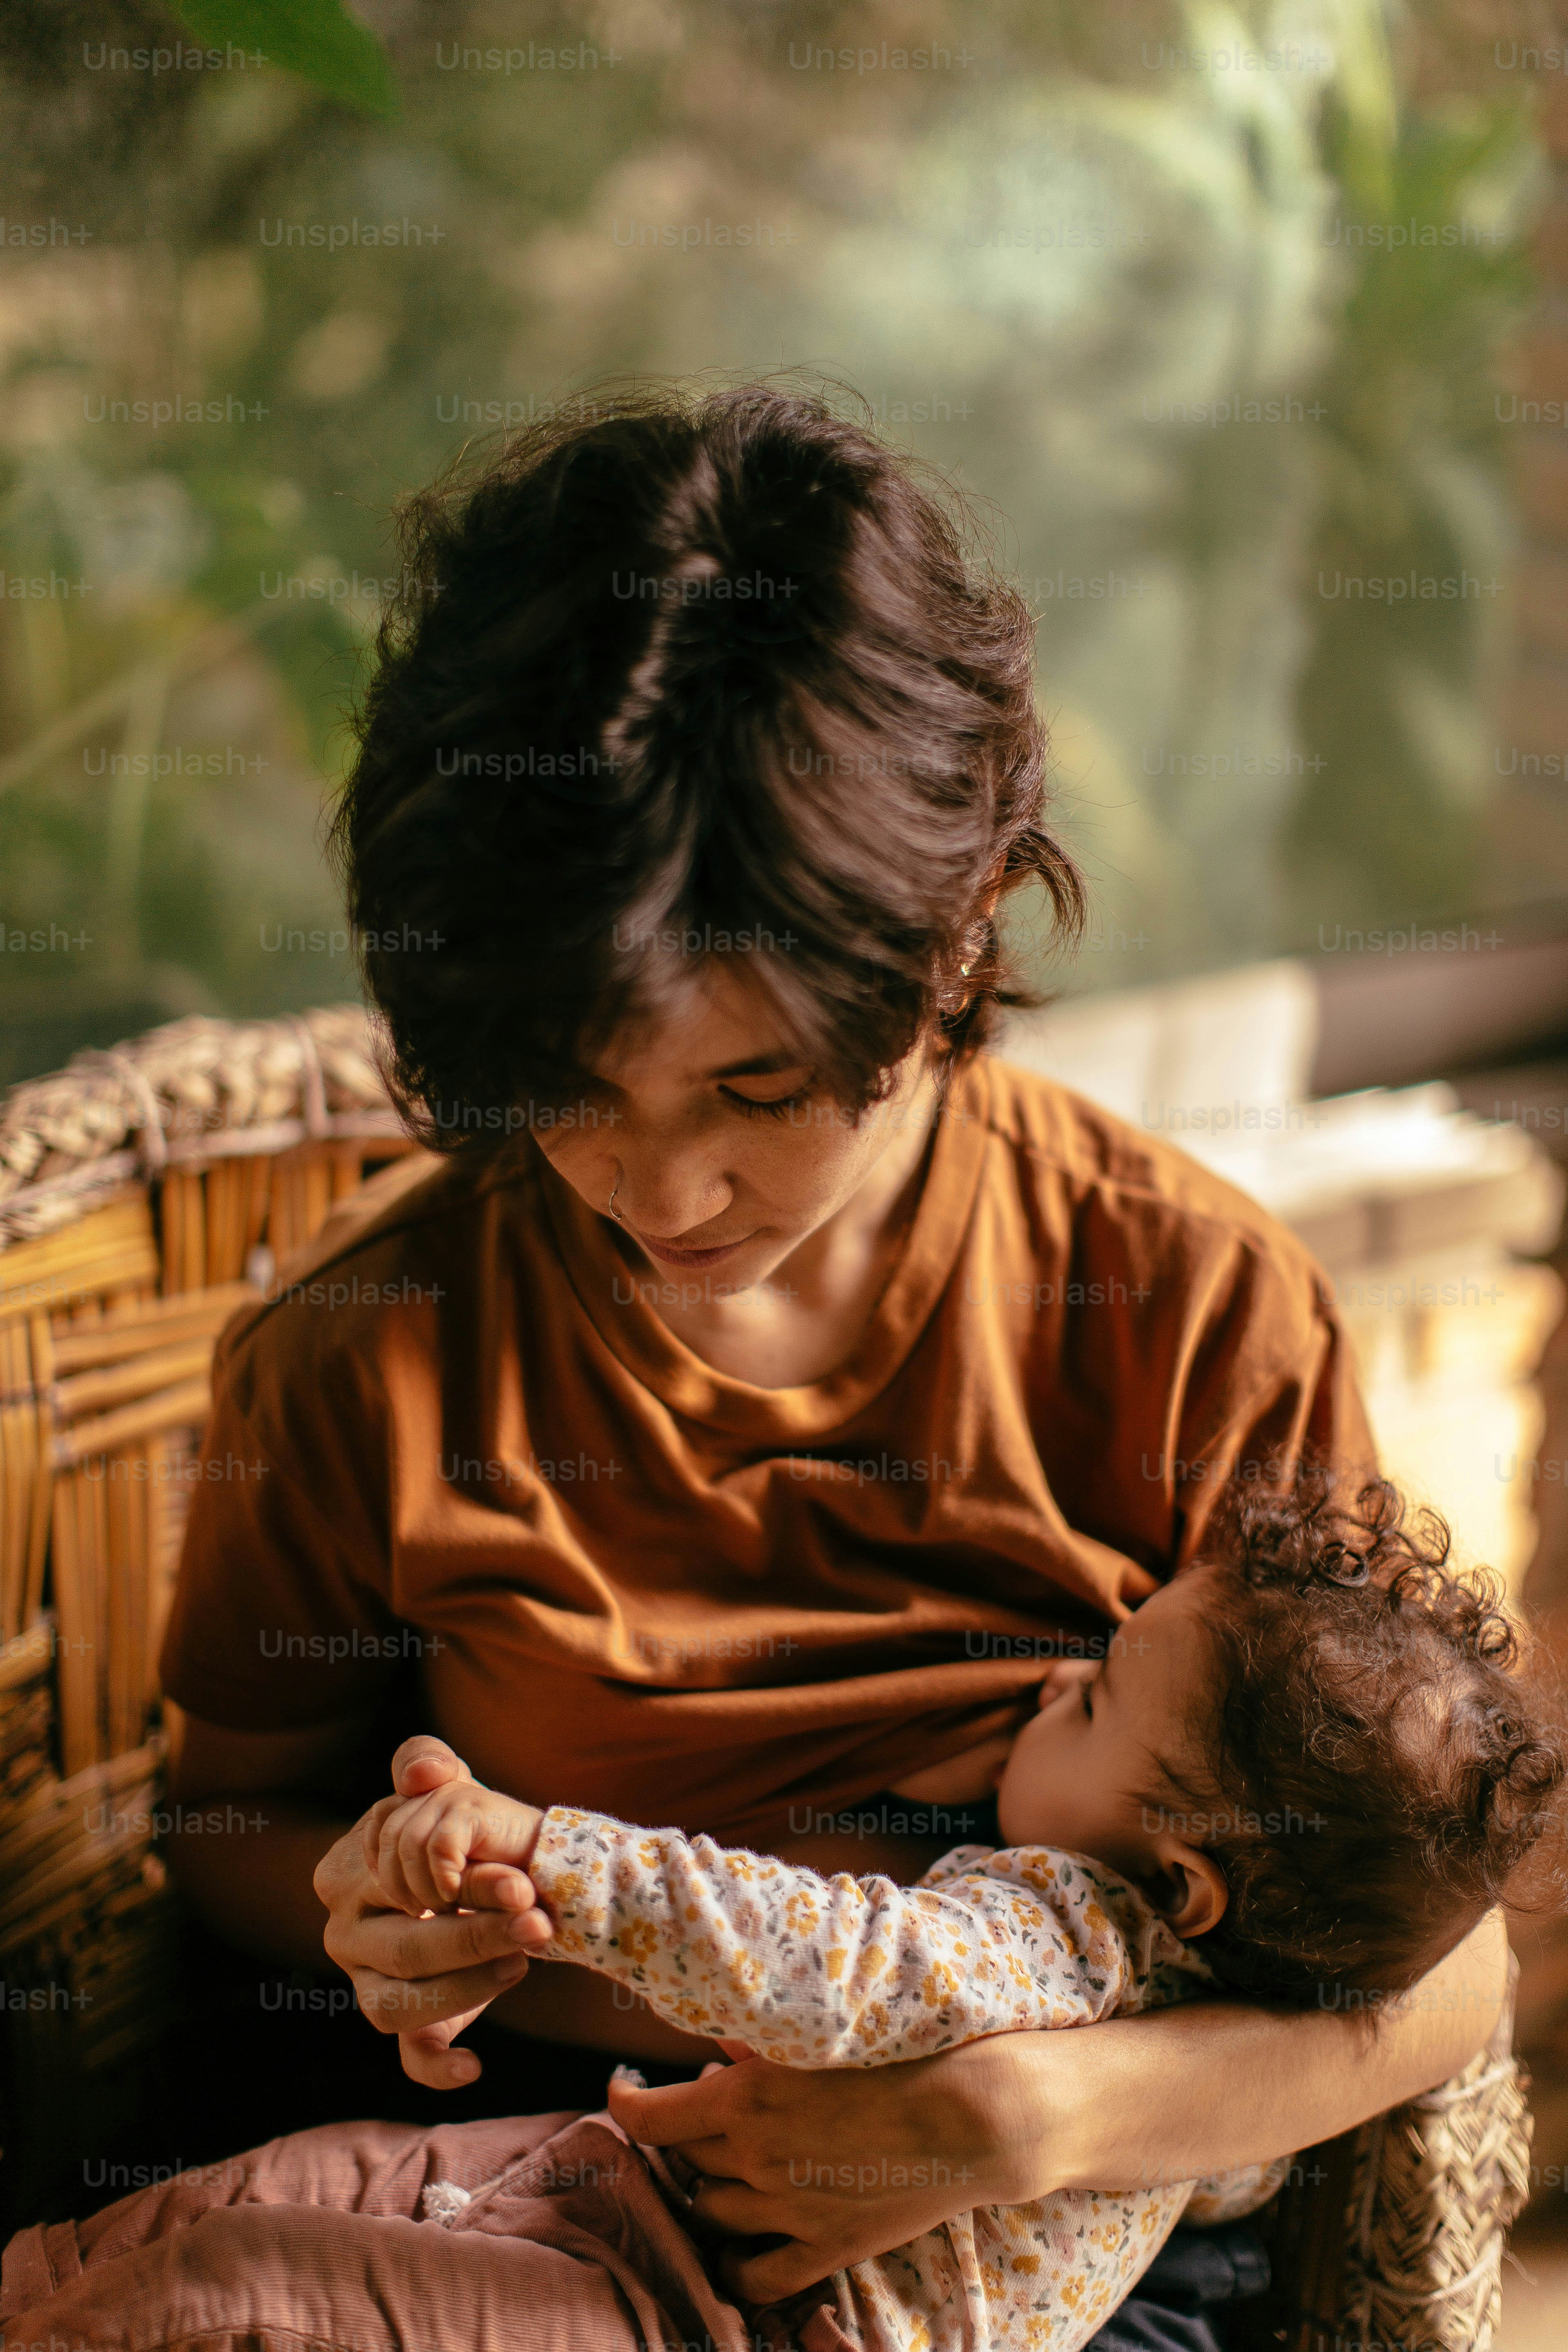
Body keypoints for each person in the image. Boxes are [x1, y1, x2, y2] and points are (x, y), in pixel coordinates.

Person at [150, 382, 1512, 2350]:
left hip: (1078, 2245)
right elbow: (225, 1833)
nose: (660, 1186)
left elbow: (1435, 1948)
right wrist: (381, 1911)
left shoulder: (1186, 1305)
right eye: (567, 1090)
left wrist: (1022, 2114)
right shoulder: (365, 1365)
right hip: (554, 2197)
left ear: (957, 942)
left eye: (759, 1087)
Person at [348, 1474, 1562, 2351]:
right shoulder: (1234, 2087)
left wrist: (552, 1854)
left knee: (256, 2275)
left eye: (1092, 1706)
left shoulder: (1056, 1924)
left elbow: (821, 1965)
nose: (1058, 1674)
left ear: (1184, 1880)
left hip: (731, 2304)